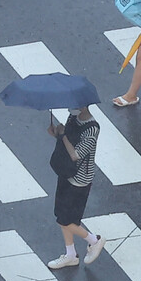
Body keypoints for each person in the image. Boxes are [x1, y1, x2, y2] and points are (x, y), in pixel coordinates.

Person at [46, 106, 105, 269]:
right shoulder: (73, 118)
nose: (71, 108)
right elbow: (68, 142)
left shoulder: (92, 128)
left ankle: (95, 241)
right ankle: (71, 254)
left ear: (85, 105)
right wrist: (57, 134)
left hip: (80, 179)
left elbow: (76, 154)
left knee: (66, 220)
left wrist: (63, 136)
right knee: (61, 216)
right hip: (66, 172)